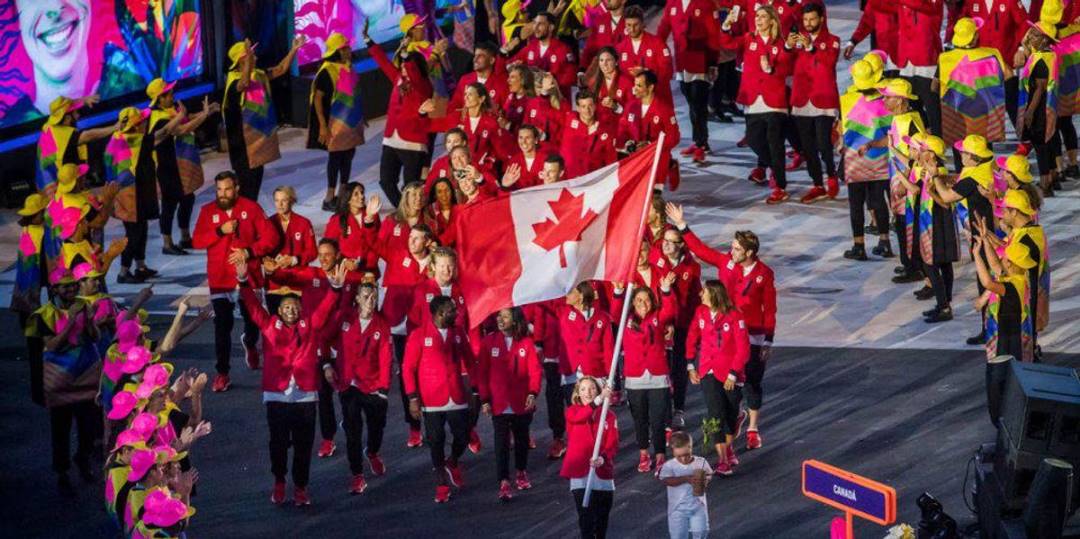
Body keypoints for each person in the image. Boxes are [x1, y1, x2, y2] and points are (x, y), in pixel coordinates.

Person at [236, 258, 345, 506]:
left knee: (304, 446)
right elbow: (253, 307)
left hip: (305, 395)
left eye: (295, 306)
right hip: (277, 394)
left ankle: (301, 487)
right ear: (279, 311)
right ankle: (279, 481)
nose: (291, 310)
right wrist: (243, 282)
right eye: (286, 307)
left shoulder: (310, 325)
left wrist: (336, 289)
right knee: (278, 443)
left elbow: (326, 309)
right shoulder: (269, 325)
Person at [667, 204, 776, 451]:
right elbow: (700, 250)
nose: (732, 251)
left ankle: (752, 428)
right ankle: (734, 416)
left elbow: (769, 309)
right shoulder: (726, 262)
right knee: (729, 384)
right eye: (732, 247)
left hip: (753, 334)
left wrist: (768, 339)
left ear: (749, 252)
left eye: (737, 249)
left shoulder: (764, 274)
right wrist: (683, 226)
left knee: (752, 383)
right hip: (725, 336)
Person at [191, 171, 279, 392]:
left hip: (248, 277)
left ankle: (250, 343)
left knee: (253, 322)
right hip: (220, 279)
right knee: (222, 326)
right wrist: (220, 230)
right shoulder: (207, 211)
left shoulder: (251, 208)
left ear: (236, 188)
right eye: (219, 190)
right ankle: (222, 373)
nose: (222, 194)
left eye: (227, 189)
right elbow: (197, 241)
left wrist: (249, 252)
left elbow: (271, 237)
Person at [25, 270, 102, 495]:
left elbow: (95, 337)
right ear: (54, 289)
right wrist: (70, 321)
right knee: (61, 428)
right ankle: (62, 471)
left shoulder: (84, 305)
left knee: (89, 425)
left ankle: (83, 458)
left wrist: (88, 321)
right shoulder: (44, 314)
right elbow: (52, 346)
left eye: (73, 285)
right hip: (60, 378)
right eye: (65, 286)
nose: (71, 289)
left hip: (86, 374)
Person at [403, 295, 476, 503]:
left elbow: (469, 360)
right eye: (453, 310)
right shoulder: (419, 335)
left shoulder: (458, 332)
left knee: (462, 436)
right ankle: (441, 483)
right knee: (436, 441)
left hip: (456, 394)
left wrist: (475, 388)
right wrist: (412, 397)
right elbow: (408, 368)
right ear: (440, 313)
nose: (457, 313)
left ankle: (452, 461)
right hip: (431, 397)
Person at [324, 282, 394, 494]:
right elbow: (324, 338)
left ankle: (372, 452)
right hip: (348, 384)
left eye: (373, 298)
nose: (370, 302)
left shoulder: (382, 325)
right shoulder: (344, 318)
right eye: (365, 297)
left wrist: (383, 388)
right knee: (353, 431)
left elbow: (386, 358)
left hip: (372, 385)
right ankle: (357, 474)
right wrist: (327, 364)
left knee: (376, 426)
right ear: (356, 299)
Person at [719, 5, 793, 203]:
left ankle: (780, 186)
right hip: (752, 100)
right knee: (753, 139)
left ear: (772, 20)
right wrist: (725, 28)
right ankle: (774, 169)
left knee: (775, 143)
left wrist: (770, 69)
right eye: (757, 16)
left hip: (775, 101)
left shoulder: (781, 43)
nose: (758, 19)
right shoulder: (748, 39)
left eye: (763, 16)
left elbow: (787, 65)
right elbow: (726, 44)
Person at [373, 222, 437, 447]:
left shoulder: (435, 262)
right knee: (406, 375)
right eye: (411, 237)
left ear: (428, 241)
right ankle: (414, 427)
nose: (411, 241)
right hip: (400, 327)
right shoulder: (398, 254)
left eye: (417, 238)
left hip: (426, 327)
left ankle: (432, 422)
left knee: (429, 374)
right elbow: (375, 244)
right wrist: (371, 220)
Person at [932, 135, 997, 341]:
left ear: (973, 157)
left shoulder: (973, 178)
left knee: (985, 280)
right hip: (989, 232)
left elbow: (948, 197)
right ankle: (990, 327)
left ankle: (989, 329)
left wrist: (935, 178)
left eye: (964, 153)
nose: (960, 154)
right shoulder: (984, 168)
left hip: (983, 234)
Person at [222, 38, 303, 199]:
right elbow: (243, 84)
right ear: (241, 61)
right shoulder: (233, 82)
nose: (255, 57)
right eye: (251, 54)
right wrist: (248, 61)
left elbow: (280, 69)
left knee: (256, 183)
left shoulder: (258, 75)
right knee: (247, 188)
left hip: (258, 143)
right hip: (243, 148)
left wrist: (294, 49)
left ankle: (251, 216)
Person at [365, 20, 434, 207]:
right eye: (402, 67)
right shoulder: (398, 78)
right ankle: (403, 212)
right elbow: (383, 62)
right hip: (391, 138)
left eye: (406, 67)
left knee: (410, 186)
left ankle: (416, 214)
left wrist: (405, 55)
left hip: (412, 142)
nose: (403, 70)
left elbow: (414, 74)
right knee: (386, 181)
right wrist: (368, 41)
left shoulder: (423, 85)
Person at [476, 307, 542, 501]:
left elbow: (535, 371)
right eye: (499, 316)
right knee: (501, 443)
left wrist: (533, 392)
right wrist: (485, 399)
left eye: (505, 316)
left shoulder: (526, 343)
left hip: (521, 401)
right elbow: (482, 374)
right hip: (499, 402)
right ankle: (503, 480)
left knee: (522, 440)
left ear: (515, 320)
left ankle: (521, 471)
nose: (500, 319)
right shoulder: (488, 342)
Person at [147, 79, 218, 256]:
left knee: (187, 198)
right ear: (160, 99)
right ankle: (167, 243)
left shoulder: (169, 110)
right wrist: (204, 115)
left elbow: (186, 117)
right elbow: (183, 129)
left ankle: (185, 237)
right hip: (165, 166)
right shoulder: (159, 119)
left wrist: (205, 112)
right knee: (170, 205)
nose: (172, 96)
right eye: (168, 94)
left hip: (178, 164)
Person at [686, 279, 750, 475]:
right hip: (708, 370)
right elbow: (691, 337)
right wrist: (690, 365)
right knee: (715, 414)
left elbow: (743, 348)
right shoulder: (700, 313)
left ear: (713, 294)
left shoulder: (734, 316)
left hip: (730, 372)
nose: (700, 295)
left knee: (729, 415)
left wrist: (733, 373)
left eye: (703, 292)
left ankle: (734, 427)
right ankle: (723, 460)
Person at [104, 107, 172, 284]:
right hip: (131, 197)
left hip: (132, 194)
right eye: (141, 121)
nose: (145, 123)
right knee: (134, 234)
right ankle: (123, 272)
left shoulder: (116, 138)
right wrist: (180, 116)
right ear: (135, 126)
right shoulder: (135, 140)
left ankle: (141, 267)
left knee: (141, 230)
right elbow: (163, 133)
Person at [973, 237, 1036, 426]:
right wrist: (985, 241)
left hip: (1008, 342)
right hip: (1013, 336)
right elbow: (995, 265)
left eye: (1006, 259)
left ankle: (1003, 420)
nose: (1002, 261)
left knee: (1000, 382)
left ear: (1011, 263)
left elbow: (987, 281)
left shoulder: (1010, 286)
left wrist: (976, 255)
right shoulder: (1019, 278)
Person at [621, 273, 678, 474]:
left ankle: (661, 455)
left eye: (646, 299)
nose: (642, 303)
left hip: (658, 378)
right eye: (638, 300)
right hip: (635, 378)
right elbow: (613, 309)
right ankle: (644, 453)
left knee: (658, 419)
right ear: (633, 303)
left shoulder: (658, 317)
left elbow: (670, 310)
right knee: (640, 419)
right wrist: (619, 291)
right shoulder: (625, 321)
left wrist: (665, 290)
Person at [837, 60, 894, 260]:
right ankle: (885, 241)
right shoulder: (886, 99)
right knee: (879, 201)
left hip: (855, 157)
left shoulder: (848, 99)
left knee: (856, 203)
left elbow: (841, 128)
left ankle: (859, 245)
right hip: (880, 157)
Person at [937, 17, 1010, 170]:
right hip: (985, 113)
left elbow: (934, 86)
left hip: (958, 115)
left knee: (960, 153)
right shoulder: (991, 54)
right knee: (984, 153)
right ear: (975, 36)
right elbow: (1008, 75)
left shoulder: (945, 58)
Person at [903, 134, 960, 323]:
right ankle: (944, 302)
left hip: (938, 222)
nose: (919, 152)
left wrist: (930, 188)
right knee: (943, 263)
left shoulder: (939, 172)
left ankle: (944, 306)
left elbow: (945, 203)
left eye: (923, 149)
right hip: (934, 221)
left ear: (933, 154)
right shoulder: (929, 169)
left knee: (932, 263)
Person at [786, 3, 840, 203]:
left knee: (823, 144)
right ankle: (817, 184)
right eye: (805, 20)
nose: (808, 23)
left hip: (823, 100)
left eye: (812, 19)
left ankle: (832, 175)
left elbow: (828, 64)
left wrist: (810, 47)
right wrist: (787, 47)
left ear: (821, 19)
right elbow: (783, 61)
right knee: (808, 148)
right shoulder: (797, 41)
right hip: (801, 100)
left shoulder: (833, 41)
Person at [309, 32, 367, 211]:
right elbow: (317, 99)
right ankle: (329, 197)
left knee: (348, 156)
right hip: (335, 122)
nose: (349, 50)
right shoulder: (327, 71)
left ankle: (343, 194)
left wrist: (361, 117)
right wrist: (323, 126)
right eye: (345, 48)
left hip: (351, 123)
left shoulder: (348, 67)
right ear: (338, 52)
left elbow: (354, 95)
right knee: (335, 158)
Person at [657, 0, 720, 162]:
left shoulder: (706, 4)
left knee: (698, 104)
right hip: (681, 61)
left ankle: (701, 143)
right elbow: (664, 28)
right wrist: (654, 48)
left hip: (700, 60)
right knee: (692, 103)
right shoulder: (672, 3)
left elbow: (713, 34)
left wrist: (713, 62)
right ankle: (699, 141)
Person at [651, 227, 701, 427]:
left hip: (683, 326)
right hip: (660, 324)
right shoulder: (656, 260)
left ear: (681, 245)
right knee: (661, 368)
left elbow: (695, 299)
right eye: (665, 240)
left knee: (679, 369)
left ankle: (678, 409)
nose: (666, 244)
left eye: (672, 241)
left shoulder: (692, 267)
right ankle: (661, 411)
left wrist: (696, 330)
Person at [882, 78, 928, 283]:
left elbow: (918, 155)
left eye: (888, 97)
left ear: (900, 100)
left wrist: (904, 182)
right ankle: (908, 263)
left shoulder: (910, 122)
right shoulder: (900, 118)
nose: (884, 100)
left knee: (907, 223)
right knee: (901, 223)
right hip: (898, 178)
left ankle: (914, 267)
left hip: (907, 182)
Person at [561, 377, 618, 539]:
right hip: (580, 474)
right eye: (583, 389)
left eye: (592, 388)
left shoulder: (609, 415)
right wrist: (599, 400)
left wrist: (603, 458)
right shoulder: (573, 411)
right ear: (578, 393)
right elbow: (579, 417)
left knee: (601, 522)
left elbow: (613, 443)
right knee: (586, 521)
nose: (588, 392)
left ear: (598, 390)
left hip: (603, 473)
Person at [957, 0, 1028, 123]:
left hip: (1006, 65)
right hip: (980, 66)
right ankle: (983, 141)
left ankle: (1024, 138)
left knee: (1013, 106)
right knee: (982, 109)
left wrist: (1021, 49)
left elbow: (1024, 24)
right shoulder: (970, 2)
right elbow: (961, 25)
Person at [36, 95, 121, 190]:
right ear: (68, 118)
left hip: (50, 176)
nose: (78, 115)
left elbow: (63, 105)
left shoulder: (50, 126)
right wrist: (114, 128)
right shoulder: (63, 135)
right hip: (54, 184)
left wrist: (83, 100)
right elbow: (89, 135)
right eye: (76, 112)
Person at [1015, 21, 1060, 197]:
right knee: (1046, 144)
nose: (1030, 35)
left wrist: (1030, 112)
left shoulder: (1040, 61)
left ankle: (1045, 184)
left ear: (1044, 40)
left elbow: (1039, 88)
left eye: (1035, 34)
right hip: (1047, 109)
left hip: (1038, 110)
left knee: (1040, 146)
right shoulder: (1049, 55)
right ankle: (1052, 177)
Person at [616, 70, 681, 189]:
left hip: (657, 156)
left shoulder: (664, 109)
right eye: (634, 84)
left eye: (639, 85)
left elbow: (674, 137)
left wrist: (651, 145)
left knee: (654, 196)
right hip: (636, 157)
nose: (634, 89)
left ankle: (669, 165)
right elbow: (622, 130)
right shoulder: (631, 106)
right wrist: (627, 142)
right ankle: (670, 164)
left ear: (650, 87)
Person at [895, 0, 944, 136]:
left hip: (927, 61)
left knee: (933, 112)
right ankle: (921, 143)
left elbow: (926, 7)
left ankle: (936, 150)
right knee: (912, 109)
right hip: (907, 62)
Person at [503, 12, 577, 99]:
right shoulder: (531, 47)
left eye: (540, 24)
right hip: (534, 100)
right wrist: (512, 63)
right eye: (535, 23)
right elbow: (510, 63)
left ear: (551, 27)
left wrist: (551, 85)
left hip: (556, 100)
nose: (536, 27)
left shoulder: (563, 49)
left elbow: (571, 77)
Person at [615, 7, 675, 106]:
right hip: (632, 106)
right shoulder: (619, 48)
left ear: (643, 24)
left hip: (658, 102)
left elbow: (668, 71)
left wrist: (646, 73)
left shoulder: (658, 44)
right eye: (628, 25)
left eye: (636, 25)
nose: (632, 29)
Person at [658, 431, 713, 539]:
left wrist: (705, 480)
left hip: (698, 506)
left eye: (686, 455)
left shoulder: (700, 462)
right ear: (673, 452)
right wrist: (686, 479)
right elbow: (666, 480)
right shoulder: (669, 466)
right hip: (677, 509)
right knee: (678, 536)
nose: (683, 459)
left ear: (691, 448)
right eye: (679, 456)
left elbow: (709, 473)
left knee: (701, 533)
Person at [450, 42, 510, 114]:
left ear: (491, 60)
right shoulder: (465, 79)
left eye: (480, 56)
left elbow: (506, 111)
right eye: (475, 55)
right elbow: (454, 106)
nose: (475, 59)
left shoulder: (501, 83)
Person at [843, 0, 898, 74]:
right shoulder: (874, 3)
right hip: (882, 56)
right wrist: (853, 41)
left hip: (905, 58)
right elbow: (866, 23)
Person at [581, 0, 627, 68]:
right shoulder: (600, 20)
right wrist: (582, 69)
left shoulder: (632, 21)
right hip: (604, 73)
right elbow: (589, 49)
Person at [500, 125, 547, 190]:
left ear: (536, 140)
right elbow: (506, 195)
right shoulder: (513, 162)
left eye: (527, 138)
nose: (523, 142)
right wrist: (505, 186)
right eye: (521, 137)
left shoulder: (547, 161)